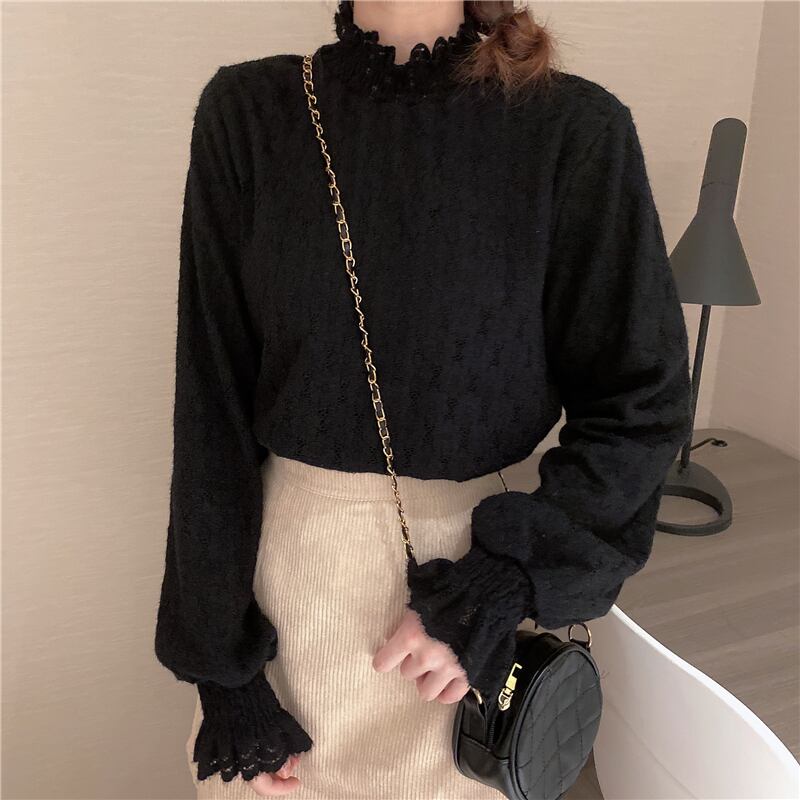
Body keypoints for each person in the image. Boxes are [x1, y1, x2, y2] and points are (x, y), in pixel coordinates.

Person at [153, 0, 694, 797]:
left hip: (473, 608)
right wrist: (224, 671)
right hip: (289, 597)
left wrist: (494, 588)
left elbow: (641, 402)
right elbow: (210, 409)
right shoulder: (253, 113)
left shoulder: (572, 129)